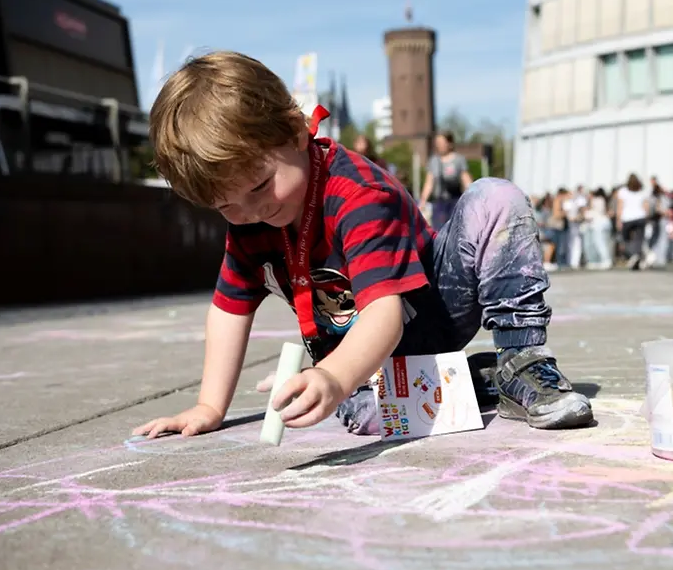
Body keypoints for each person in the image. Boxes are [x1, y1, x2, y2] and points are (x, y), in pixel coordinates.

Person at [133, 51, 594, 440]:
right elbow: (229, 308)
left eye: (259, 186)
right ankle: (473, 382)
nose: (250, 212)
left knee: (494, 198)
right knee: (365, 416)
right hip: (366, 358)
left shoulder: (356, 194)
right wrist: (209, 407)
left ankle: (520, 362)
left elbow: (384, 314)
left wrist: (333, 378)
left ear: (296, 132)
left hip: (432, 308)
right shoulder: (251, 221)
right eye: (225, 206)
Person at [420, 131, 473, 230]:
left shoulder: (458, 160)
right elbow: (429, 183)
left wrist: (473, 196)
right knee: (439, 229)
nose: (438, 145)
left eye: (441, 143)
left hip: (455, 201)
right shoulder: (434, 161)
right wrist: (423, 201)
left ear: (449, 143)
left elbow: (466, 179)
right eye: (437, 143)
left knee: (456, 229)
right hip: (439, 202)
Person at [616, 173, 649, 270]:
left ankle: (633, 255)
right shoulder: (642, 191)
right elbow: (646, 207)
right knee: (639, 239)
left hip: (627, 218)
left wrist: (618, 220)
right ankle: (637, 256)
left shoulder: (623, 191)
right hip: (640, 217)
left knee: (626, 239)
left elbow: (620, 207)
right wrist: (646, 218)